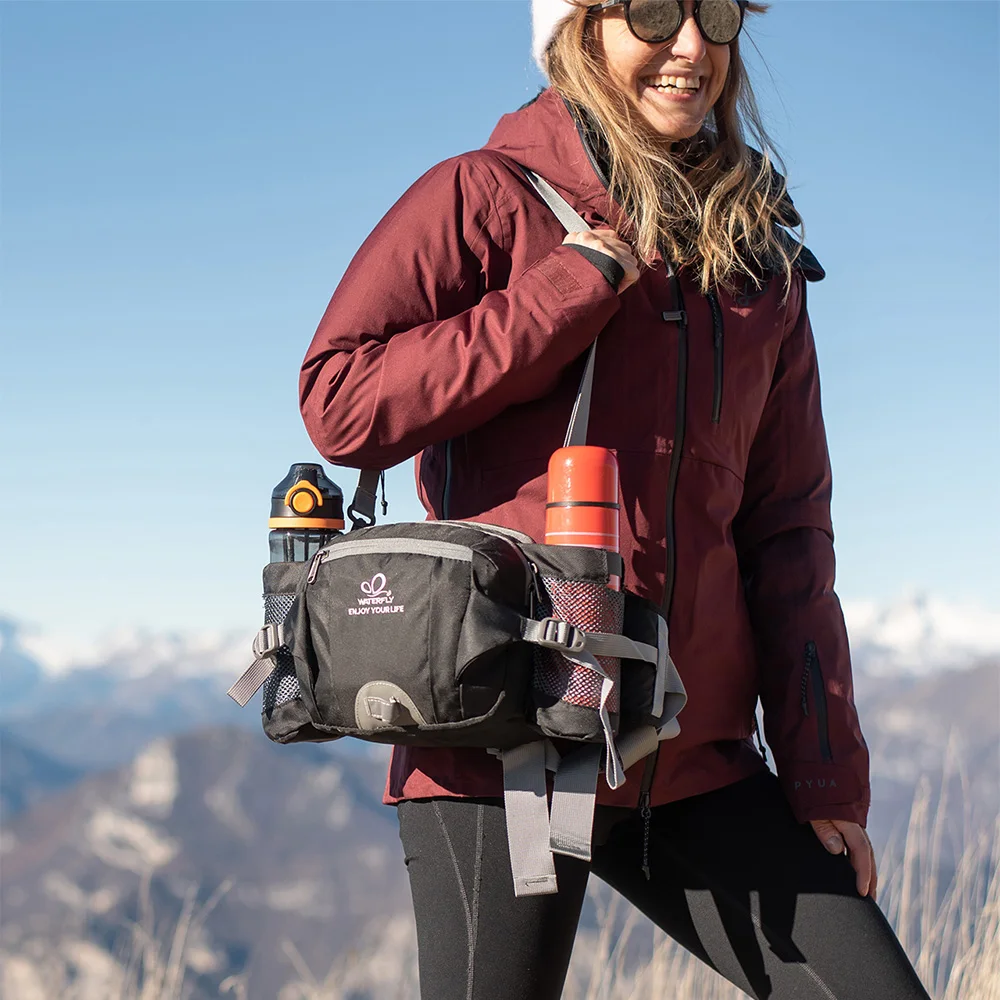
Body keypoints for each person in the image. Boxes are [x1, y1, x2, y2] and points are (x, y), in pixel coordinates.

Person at [299, 1, 931, 996]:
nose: (692, 46)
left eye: (716, 15)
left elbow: (788, 534)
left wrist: (822, 774)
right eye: (652, 12)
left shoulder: (757, 259)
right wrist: (566, 288)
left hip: (689, 756)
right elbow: (339, 401)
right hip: (499, 741)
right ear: (580, 31)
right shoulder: (482, 196)